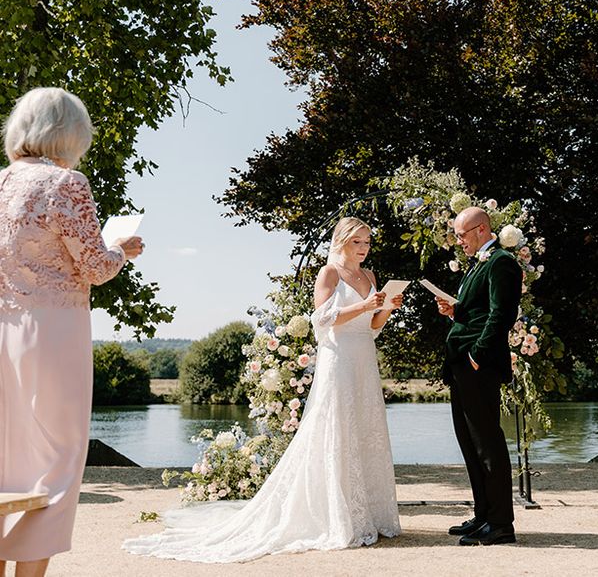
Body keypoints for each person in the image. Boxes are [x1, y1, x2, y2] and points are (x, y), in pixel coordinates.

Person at [123, 216, 402, 562]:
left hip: (363, 355)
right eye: (357, 241)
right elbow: (322, 320)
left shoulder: (371, 277)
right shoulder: (329, 273)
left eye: (368, 242)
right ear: (342, 241)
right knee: (336, 428)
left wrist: (386, 308)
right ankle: (336, 514)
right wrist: (364, 305)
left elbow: (373, 326)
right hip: (339, 357)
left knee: (364, 428)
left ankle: (369, 514)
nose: (363, 248)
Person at [0, 87, 144, 577]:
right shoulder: (66, 184)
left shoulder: (0, 183)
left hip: (2, 328)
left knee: (6, 464)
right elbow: (95, 267)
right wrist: (121, 248)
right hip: (52, 331)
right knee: (57, 462)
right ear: (70, 134)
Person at [435, 206, 521, 546]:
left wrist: (477, 356)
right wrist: (455, 310)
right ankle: (483, 514)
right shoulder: (478, 266)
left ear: (482, 230)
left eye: (462, 235)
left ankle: (501, 524)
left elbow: (502, 314)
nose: (459, 242)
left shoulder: (501, 262)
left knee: (488, 444)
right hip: (461, 364)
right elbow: (478, 311)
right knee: (469, 442)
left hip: (478, 366)